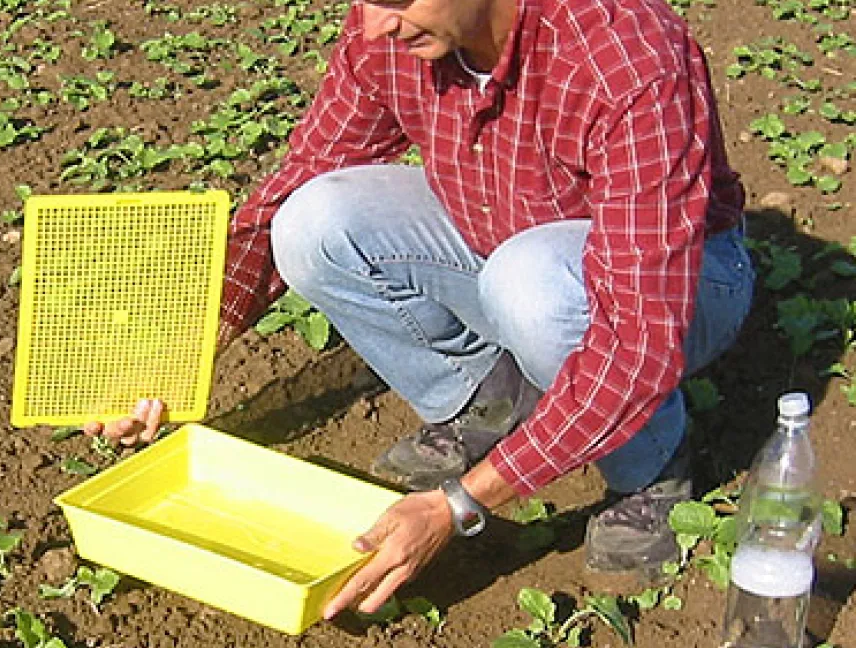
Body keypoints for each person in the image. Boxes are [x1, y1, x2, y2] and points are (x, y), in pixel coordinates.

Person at [86, 0, 754, 623]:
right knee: (311, 221)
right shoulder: (391, 29)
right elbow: (295, 182)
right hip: (504, 235)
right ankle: (488, 399)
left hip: (679, 283)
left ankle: (650, 469)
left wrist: (457, 507)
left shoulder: (622, 54)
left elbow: (637, 336)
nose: (375, 26)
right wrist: (178, 352)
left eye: (398, 0)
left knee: (535, 290)